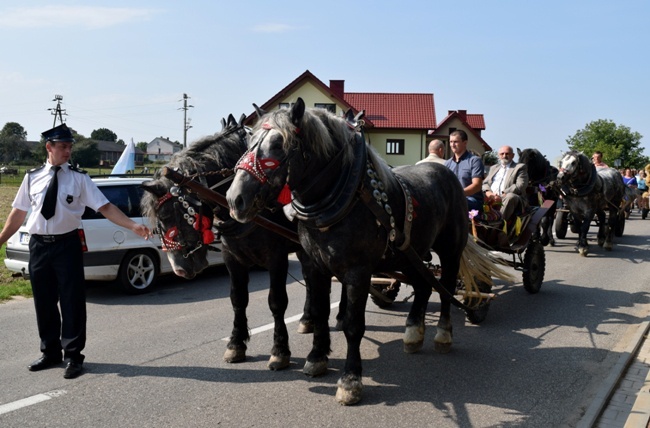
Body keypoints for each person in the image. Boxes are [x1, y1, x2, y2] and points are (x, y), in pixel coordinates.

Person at [0, 124, 151, 379]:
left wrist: (133, 225)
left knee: (71, 301)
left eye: (70, 146)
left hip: (66, 245)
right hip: (38, 245)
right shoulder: (32, 177)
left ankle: (73, 356)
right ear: (49, 147)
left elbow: (105, 207)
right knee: (44, 301)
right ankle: (50, 353)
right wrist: (1, 238)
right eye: (63, 146)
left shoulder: (80, 179)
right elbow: (18, 213)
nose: (68, 151)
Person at [482, 145, 529, 221]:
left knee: (510, 196)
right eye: (502, 154)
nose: (504, 156)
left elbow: (520, 185)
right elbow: (485, 183)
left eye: (507, 154)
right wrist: (489, 192)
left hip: (509, 197)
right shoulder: (493, 168)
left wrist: (503, 193)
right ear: (498, 155)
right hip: (491, 196)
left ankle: (499, 224)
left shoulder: (520, 167)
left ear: (513, 155)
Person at [444, 130, 484, 211]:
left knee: (454, 203)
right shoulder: (447, 164)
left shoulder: (474, 161)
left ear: (465, 143)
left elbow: (477, 185)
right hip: (452, 199)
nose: (452, 145)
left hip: (472, 200)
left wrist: (457, 194)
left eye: (456, 142)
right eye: (451, 142)